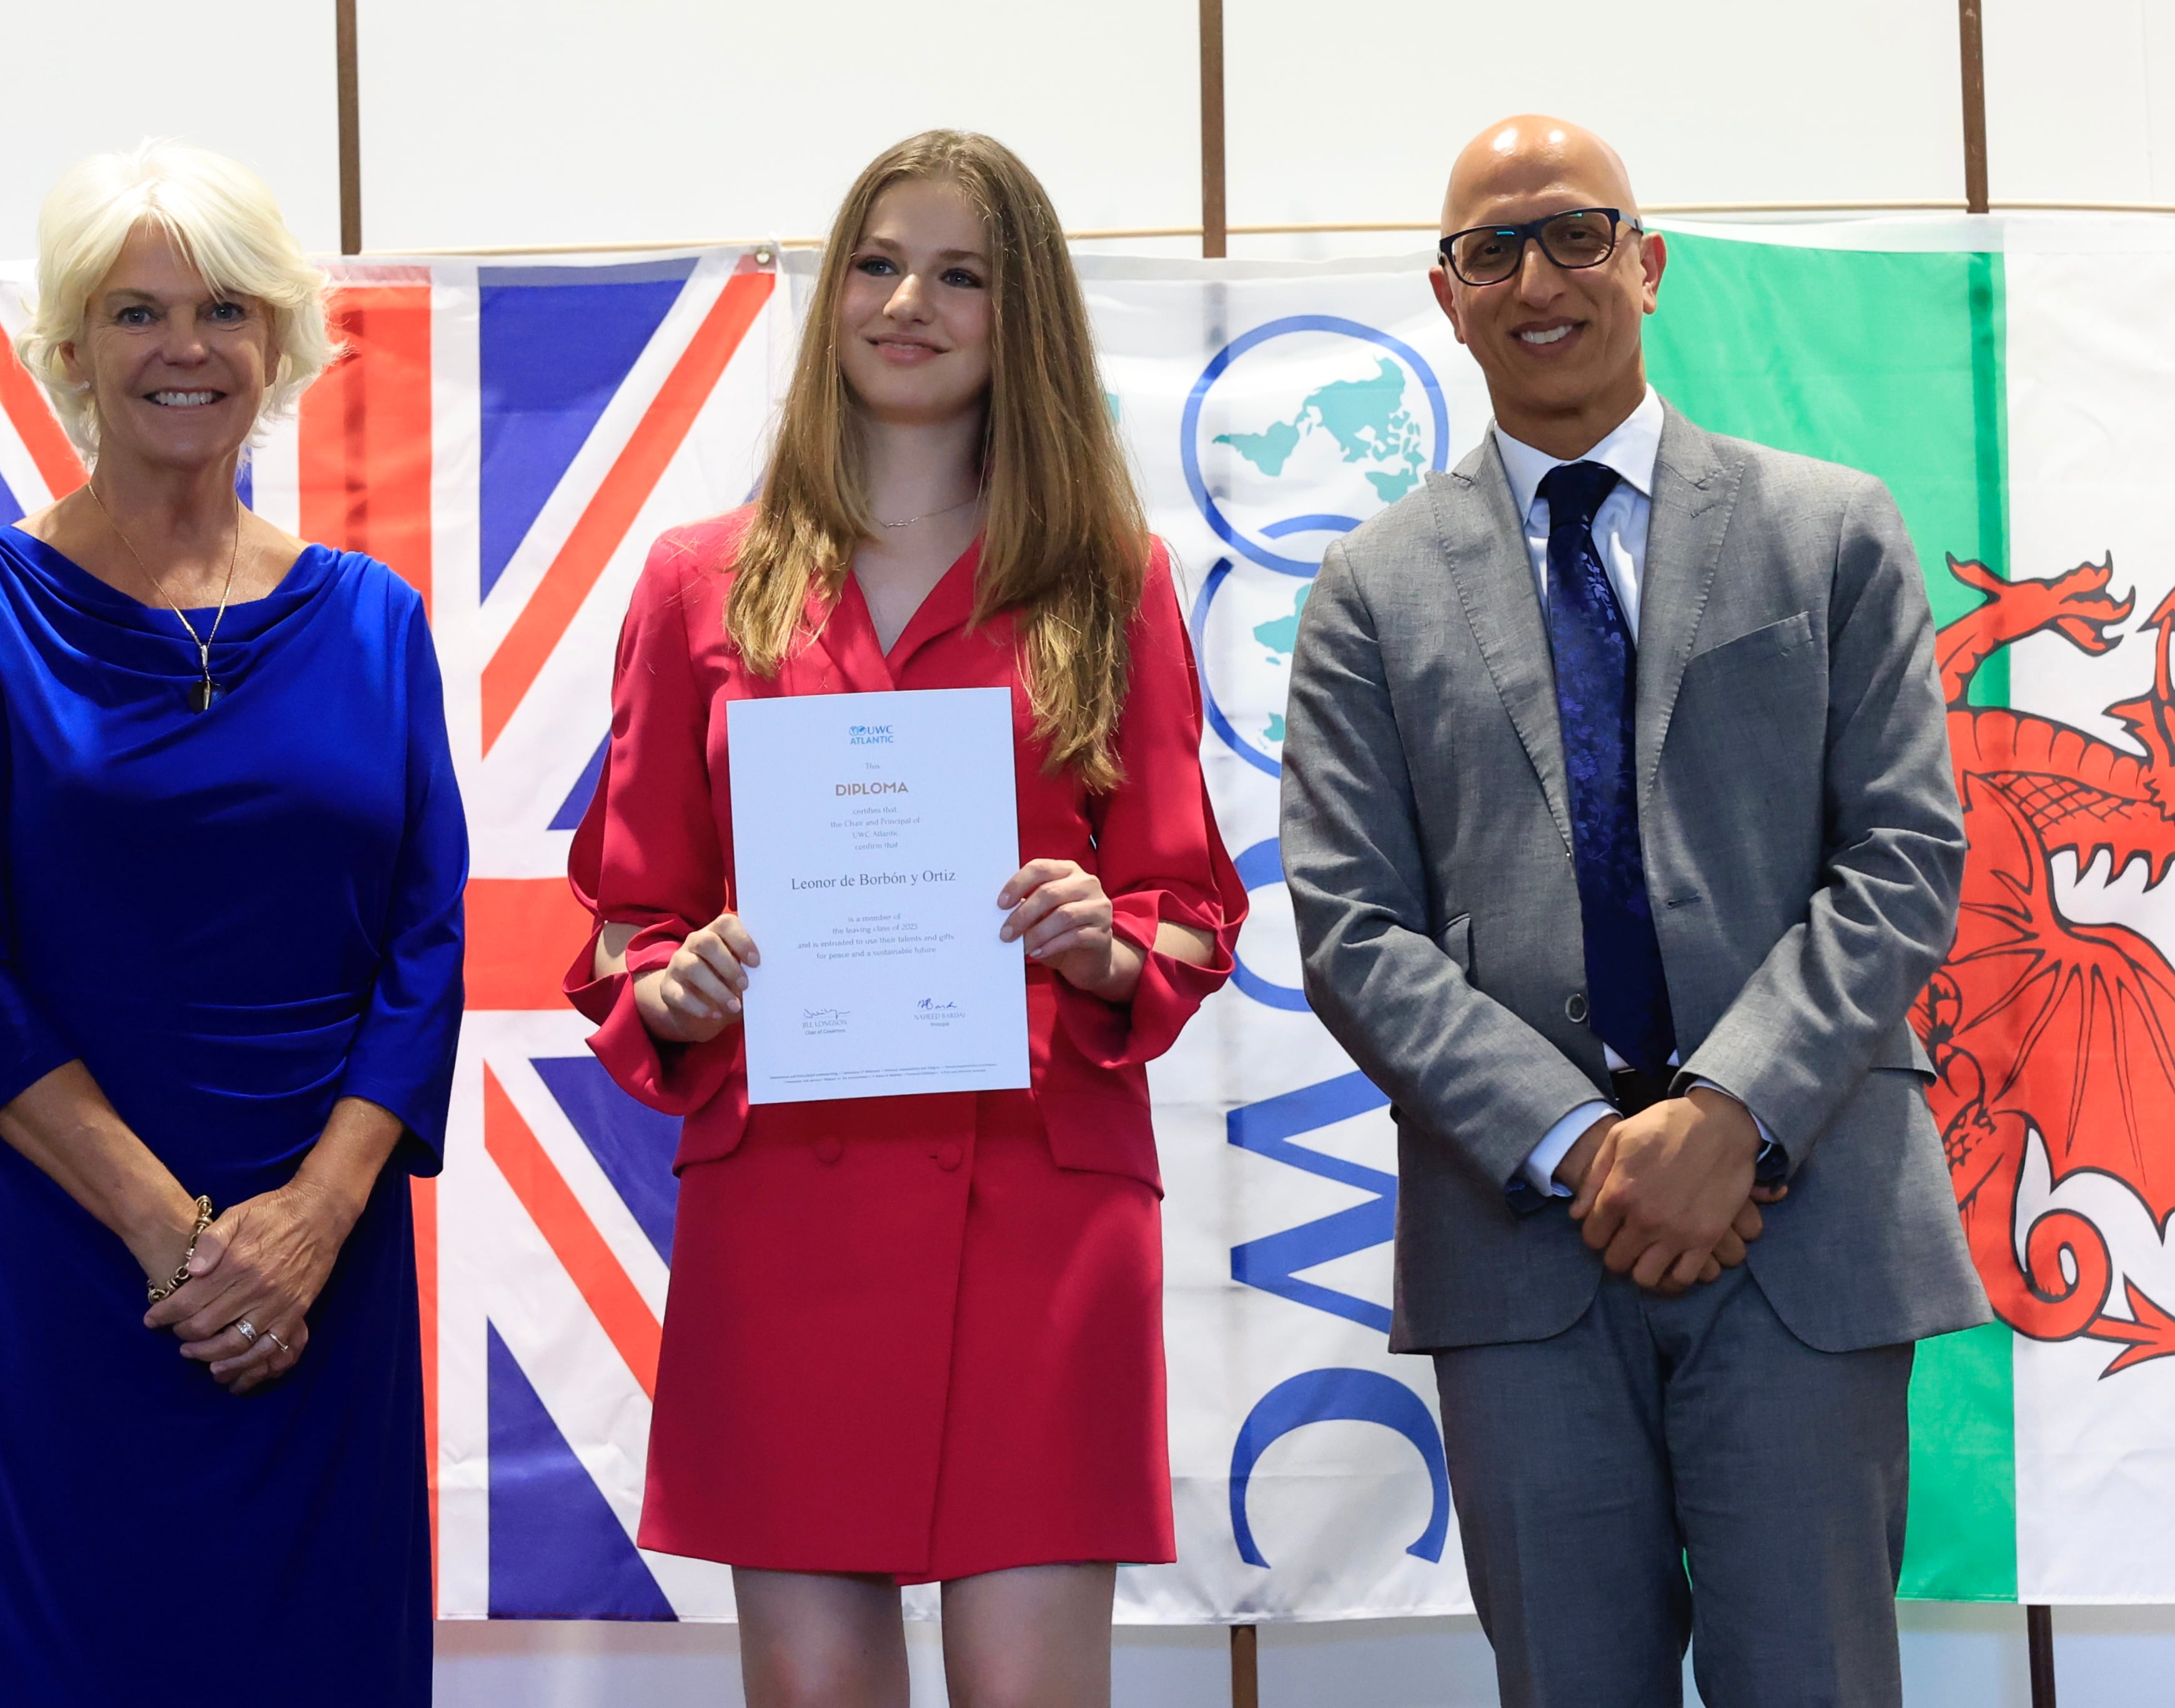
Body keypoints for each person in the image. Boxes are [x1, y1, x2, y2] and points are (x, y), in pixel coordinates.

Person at [1279, 115, 1988, 1707]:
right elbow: (1352, 928)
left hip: (1802, 1231)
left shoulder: (1831, 529)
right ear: (1448, 298)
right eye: (1492, 250)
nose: (1539, 277)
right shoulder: (1372, 594)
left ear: (1649, 265)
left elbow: (1900, 857)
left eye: (1578, 234)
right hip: (1522, 1249)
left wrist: (1730, 1114)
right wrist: (1593, 1150)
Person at [565, 130, 1244, 1708]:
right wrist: (678, 983)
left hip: (1042, 1199)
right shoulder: (694, 584)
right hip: (790, 1201)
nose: (906, 303)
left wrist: (1106, 933)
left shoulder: (1107, 576)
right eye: (877, 264)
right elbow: (627, 910)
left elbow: (1193, 901)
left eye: (960, 275)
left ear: (1027, 321)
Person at [0, 140, 464, 1705]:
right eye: (135, 313)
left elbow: (426, 948)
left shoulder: (375, 620)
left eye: (222, 307)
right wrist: (179, 1238)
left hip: (320, 1263)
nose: (184, 347)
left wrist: (311, 1223)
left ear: (281, 341)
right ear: (69, 352)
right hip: (64, 1254)